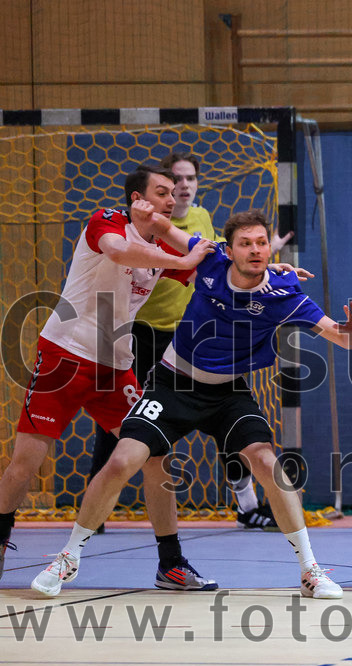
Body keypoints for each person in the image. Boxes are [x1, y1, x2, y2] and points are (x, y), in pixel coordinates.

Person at [30, 209, 352, 599]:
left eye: (261, 242)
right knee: (123, 459)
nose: (255, 250)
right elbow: (162, 227)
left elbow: (343, 339)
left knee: (267, 462)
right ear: (231, 248)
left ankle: (310, 570)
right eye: (246, 243)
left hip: (229, 393)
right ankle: (67, 558)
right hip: (173, 384)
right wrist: (145, 210)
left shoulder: (284, 295)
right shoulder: (209, 260)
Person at [0, 165, 217, 588]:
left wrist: (271, 272)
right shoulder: (108, 221)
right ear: (138, 198)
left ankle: (170, 563)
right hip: (65, 357)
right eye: (162, 192)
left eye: (174, 192)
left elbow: (211, 266)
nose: (173, 200)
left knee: (157, 455)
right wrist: (183, 256)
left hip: (115, 369)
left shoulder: (161, 247)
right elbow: (119, 252)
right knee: (26, 463)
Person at [87, 151, 294, 531]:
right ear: (148, 195)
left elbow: (226, 256)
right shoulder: (136, 227)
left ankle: (247, 506)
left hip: (191, 335)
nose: (182, 187)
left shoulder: (198, 220)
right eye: (173, 182)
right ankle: (95, 509)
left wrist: (267, 262)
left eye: (188, 180)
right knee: (124, 421)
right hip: (143, 332)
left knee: (229, 418)